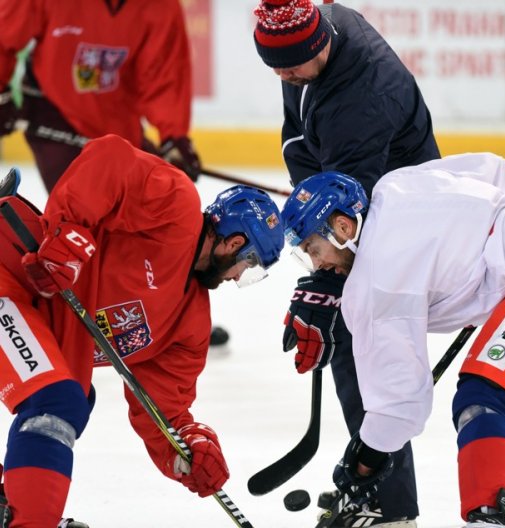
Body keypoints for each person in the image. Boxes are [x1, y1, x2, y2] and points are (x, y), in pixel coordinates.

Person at [279, 153, 505, 527]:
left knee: (483, 398)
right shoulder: (392, 188)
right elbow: (495, 169)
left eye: (314, 250)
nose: (317, 267)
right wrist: (478, 249)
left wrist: (362, 464)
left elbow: (401, 406)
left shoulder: (376, 281)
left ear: (343, 228)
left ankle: (488, 514)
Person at [0, 134, 285, 527]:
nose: (238, 278)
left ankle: (15, 505)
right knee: (57, 401)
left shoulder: (190, 323)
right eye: (248, 265)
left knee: (74, 399)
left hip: (31, 318)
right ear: (234, 244)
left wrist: (188, 445)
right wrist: (67, 231)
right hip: (8, 272)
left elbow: (163, 409)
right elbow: (109, 160)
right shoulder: (177, 207)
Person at [253, 0, 441, 524]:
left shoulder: (363, 92)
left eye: (290, 67)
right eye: (275, 67)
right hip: (358, 205)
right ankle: (383, 493)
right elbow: (298, 137)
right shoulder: (304, 39)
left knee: (363, 348)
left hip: (397, 219)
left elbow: (348, 204)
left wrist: (327, 277)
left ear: (322, 46)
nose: (283, 76)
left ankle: (386, 503)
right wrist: (308, 197)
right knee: (351, 345)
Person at [0, 0, 232, 347]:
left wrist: (173, 137)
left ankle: (172, 318)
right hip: (54, 111)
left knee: (162, 218)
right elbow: (5, 33)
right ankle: (56, 307)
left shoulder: (159, 7)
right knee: (79, 213)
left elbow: (165, 71)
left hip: (117, 123)